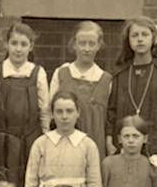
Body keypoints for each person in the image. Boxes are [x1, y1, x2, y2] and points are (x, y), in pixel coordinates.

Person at [25, 90, 103, 187]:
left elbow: (95, 184)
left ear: (78, 113)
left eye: (69, 111)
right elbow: (31, 182)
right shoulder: (41, 143)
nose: (64, 116)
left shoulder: (88, 144)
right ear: (52, 114)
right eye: (59, 111)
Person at [106, 16, 157, 168]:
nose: (140, 39)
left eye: (144, 34)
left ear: (154, 38)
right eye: (135, 35)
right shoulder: (120, 72)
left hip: (156, 142)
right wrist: (109, 139)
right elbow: (111, 110)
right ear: (128, 40)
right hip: (125, 142)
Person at [0, 22, 50, 187]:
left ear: (31, 47)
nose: (18, 49)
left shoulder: (37, 73)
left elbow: (44, 110)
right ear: (7, 44)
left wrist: (46, 138)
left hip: (30, 138)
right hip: (1, 139)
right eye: (14, 43)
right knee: (2, 181)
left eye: (23, 44)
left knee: (29, 179)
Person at [48, 20, 112, 158]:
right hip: (64, 142)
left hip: (95, 143)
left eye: (91, 43)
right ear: (74, 44)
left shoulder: (106, 80)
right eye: (82, 43)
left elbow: (109, 119)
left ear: (99, 45)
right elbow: (49, 112)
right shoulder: (61, 74)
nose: (86, 48)